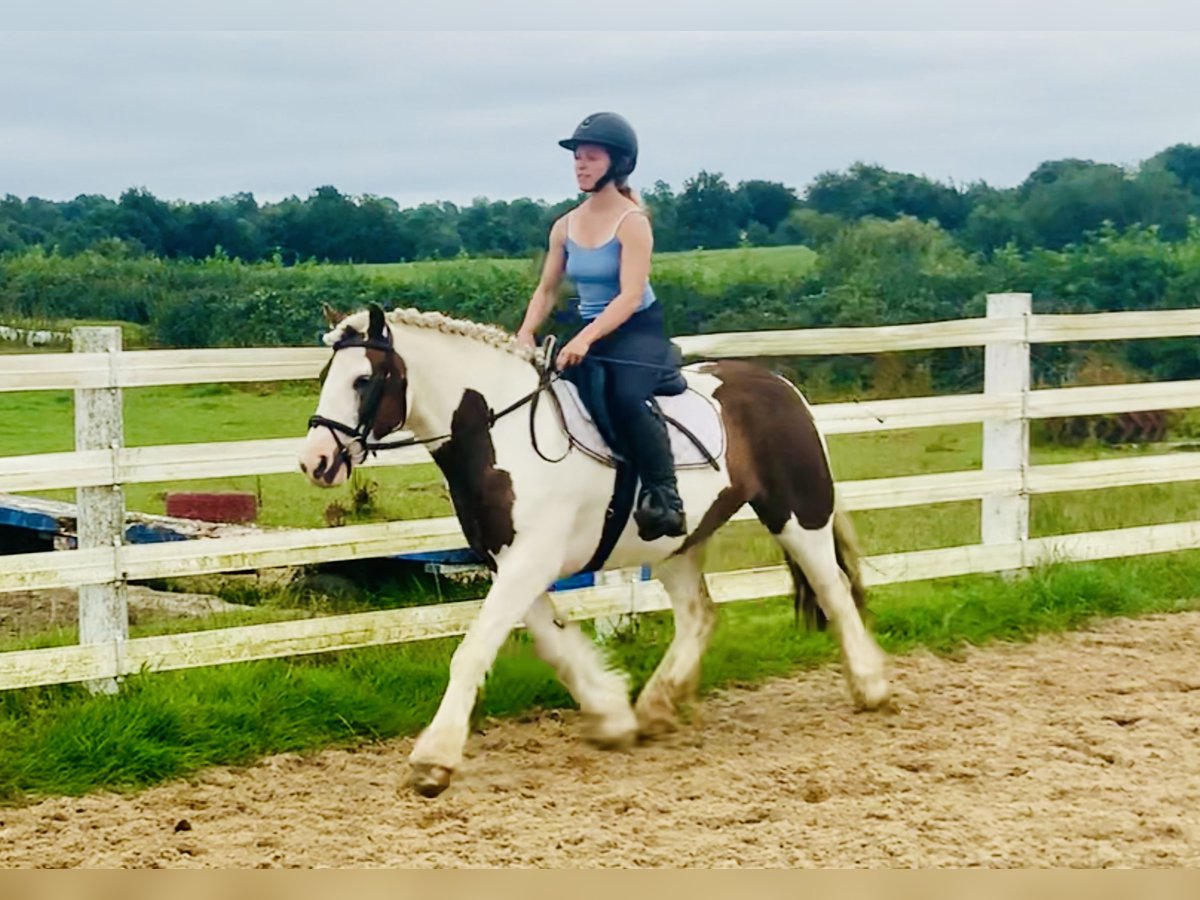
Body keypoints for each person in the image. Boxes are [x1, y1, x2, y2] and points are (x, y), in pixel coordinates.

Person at [516, 111, 687, 542]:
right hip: (588, 324)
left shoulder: (633, 222)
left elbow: (630, 296)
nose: (581, 165)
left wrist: (585, 340)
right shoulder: (565, 225)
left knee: (625, 395)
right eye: (577, 158)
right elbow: (547, 290)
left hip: (636, 328)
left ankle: (664, 495)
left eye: (590, 157)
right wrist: (525, 332)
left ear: (617, 163)